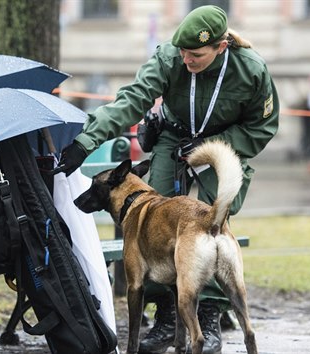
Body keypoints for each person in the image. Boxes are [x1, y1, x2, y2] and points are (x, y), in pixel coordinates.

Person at [56, 5, 279, 354]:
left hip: (221, 144)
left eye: (196, 54)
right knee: (155, 222)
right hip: (173, 139)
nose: (187, 59)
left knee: (211, 221)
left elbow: (261, 127)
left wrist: (215, 145)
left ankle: (207, 314)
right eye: (183, 52)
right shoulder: (168, 57)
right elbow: (132, 99)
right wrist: (87, 140)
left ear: (221, 47)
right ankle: (166, 316)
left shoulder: (250, 70)